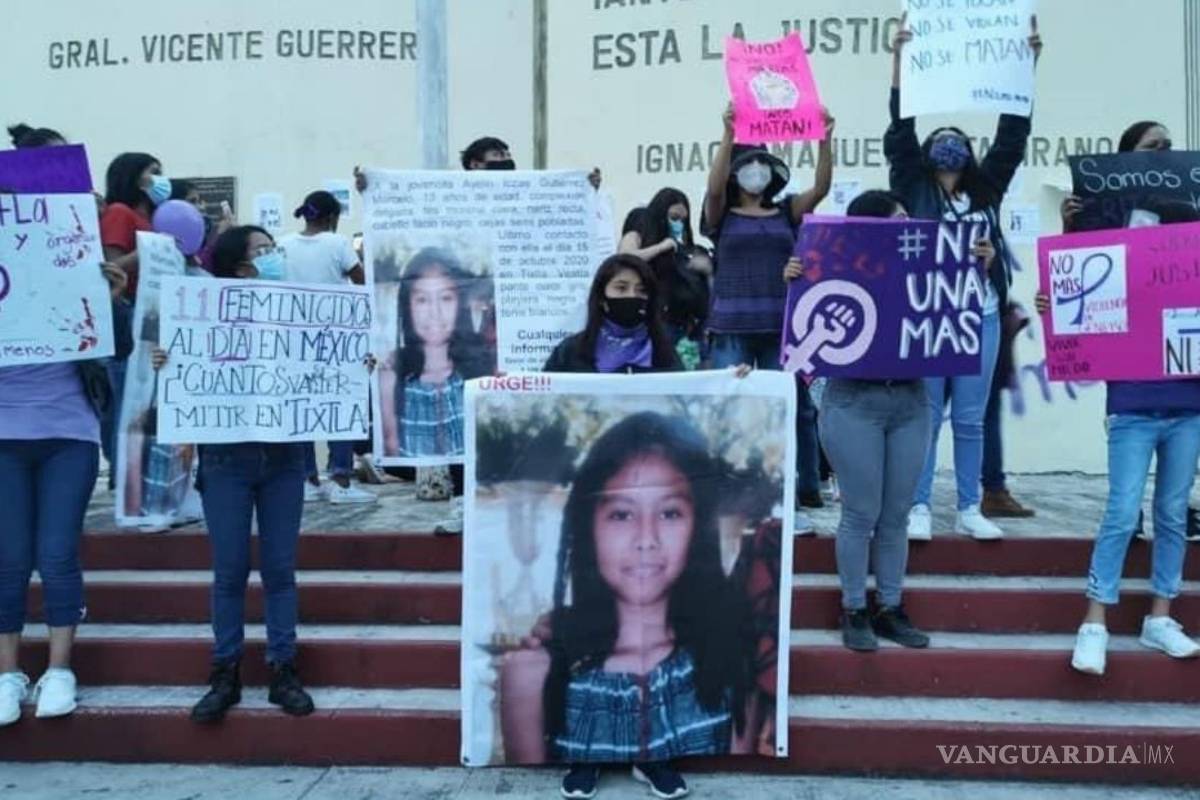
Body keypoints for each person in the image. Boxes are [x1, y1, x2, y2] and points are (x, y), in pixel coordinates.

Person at [500, 410, 759, 800]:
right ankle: (586, 765)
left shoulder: (727, 659)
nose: (646, 539)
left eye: (670, 513)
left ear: (698, 527)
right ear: (588, 526)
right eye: (621, 514)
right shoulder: (533, 673)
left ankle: (657, 762)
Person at [887, 16, 1043, 541]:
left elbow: (1012, 138)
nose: (950, 144)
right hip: (931, 311)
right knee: (927, 415)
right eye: (942, 138)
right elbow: (899, 131)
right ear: (930, 152)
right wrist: (899, 63)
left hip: (979, 313)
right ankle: (919, 507)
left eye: (959, 139)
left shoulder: (986, 190)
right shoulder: (911, 184)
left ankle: (971, 506)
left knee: (972, 417)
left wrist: (1025, 68)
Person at [153, 226, 315, 723]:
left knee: (280, 569)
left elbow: (327, 361)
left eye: (274, 250)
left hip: (284, 458)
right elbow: (184, 369)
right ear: (241, 269)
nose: (275, 257)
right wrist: (167, 362)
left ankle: (283, 668)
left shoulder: (300, 312)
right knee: (229, 570)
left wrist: (354, 366)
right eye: (264, 252)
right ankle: (225, 670)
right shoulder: (200, 315)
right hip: (225, 461)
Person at [1032, 197, 1200, 675]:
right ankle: (1094, 622)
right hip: (1132, 410)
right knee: (1123, 511)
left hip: (1189, 409)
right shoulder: (1122, 270)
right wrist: (1054, 293)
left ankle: (1161, 616)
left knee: (1172, 512)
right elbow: (1076, 288)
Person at [0, 242, 132, 725]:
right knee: (8, 557)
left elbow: (120, 348)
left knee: (56, 552)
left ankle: (59, 670)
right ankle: (7, 674)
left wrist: (113, 302)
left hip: (68, 433)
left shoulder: (70, 263)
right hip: (3, 437)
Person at [800, 190, 932, 652]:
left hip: (912, 401)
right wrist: (797, 277)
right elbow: (807, 321)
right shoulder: (835, 268)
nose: (907, 223)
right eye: (896, 219)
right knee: (860, 511)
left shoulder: (928, 267)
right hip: (854, 401)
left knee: (896, 514)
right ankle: (854, 607)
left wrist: (976, 265)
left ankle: (890, 607)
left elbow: (958, 306)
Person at [1062, 121, 1200, 542]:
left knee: (1185, 416)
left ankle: (1178, 506)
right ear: (1126, 154)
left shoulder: (1188, 198)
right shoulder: (1106, 202)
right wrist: (1069, 225)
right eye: (1152, 145)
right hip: (1125, 325)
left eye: (1168, 145)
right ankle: (1128, 509)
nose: (1163, 150)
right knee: (1128, 413)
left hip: (1178, 323)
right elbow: (1083, 262)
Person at [703, 104, 835, 517]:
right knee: (733, 406)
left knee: (789, 407)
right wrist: (727, 134)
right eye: (747, 164)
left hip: (781, 327)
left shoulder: (785, 211)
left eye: (762, 164)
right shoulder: (720, 215)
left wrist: (825, 141)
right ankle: (731, 487)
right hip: (731, 327)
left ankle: (796, 487)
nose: (755, 170)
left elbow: (821, 189)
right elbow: (711, 191)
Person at [277, 190, 375, 505]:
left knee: (301, 405)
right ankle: (340, 477)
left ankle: (306, 478)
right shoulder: (337, 245)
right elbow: (362, 281)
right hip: (335, 339)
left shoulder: (282, 244)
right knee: (340, 402)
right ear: (332, 218)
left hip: (292, 339)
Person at [99, 152, 171, 490]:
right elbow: (112, 267)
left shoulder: (157, 219)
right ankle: (123, 483)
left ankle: (145, 481)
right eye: (152, 172)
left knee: (151, 400)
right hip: (129, 311)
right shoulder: (119, 213)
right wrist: (150, 252)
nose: (160, 179)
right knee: (130, 398)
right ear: (132, 177)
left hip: (155, 313)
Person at [379, 247, 491, 459]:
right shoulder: (390, 377)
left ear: (460, 303)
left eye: (446, 298)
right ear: (407, 305)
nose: (435, 313)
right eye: (422, 300)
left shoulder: (481, 372)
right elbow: (390, 452)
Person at [544, 253, 681, 374]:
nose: (632, 295)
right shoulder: (570, 351)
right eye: (621, 288)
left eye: (642, 290)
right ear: (601, 297)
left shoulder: (664, 351)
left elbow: (684, 398)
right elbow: (544, 399)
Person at [618, 188, 711, 346]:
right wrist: (661, 247)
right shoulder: (639, 235)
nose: (678, 224)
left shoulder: (683, 248)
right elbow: (626, 258)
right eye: (674, 217)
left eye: (683, 220)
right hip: (654, 324)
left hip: (688, 326)